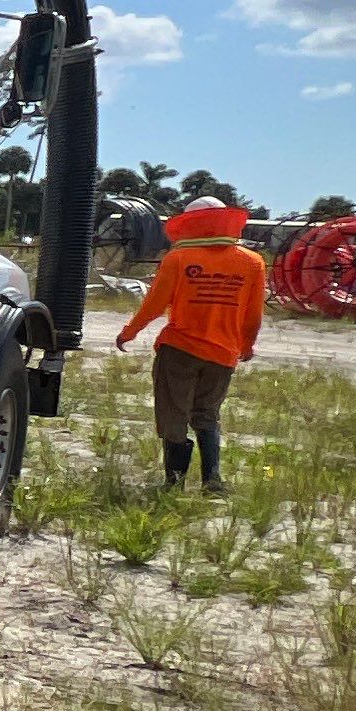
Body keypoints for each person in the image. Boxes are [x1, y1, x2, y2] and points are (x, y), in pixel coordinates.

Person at [114, 195, 265, 490]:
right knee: (207, 415)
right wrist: (246, 345)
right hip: (223, 354)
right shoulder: (253, 262)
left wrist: (130, 331)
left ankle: (174, 482)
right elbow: (253, 314)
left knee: (173, 414)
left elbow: (155, 303)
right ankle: (212, 480)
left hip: (180, 350)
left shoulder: (179, 259)